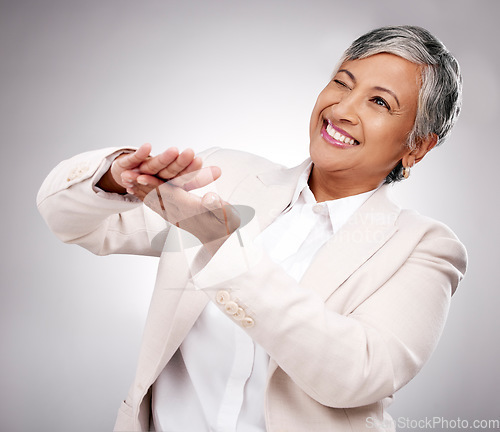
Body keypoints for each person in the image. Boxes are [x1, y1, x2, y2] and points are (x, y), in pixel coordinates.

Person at [37, 25, 467, 432]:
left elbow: (357, 375)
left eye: (379, 102)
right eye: (342, 82)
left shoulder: (423, 248)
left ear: (418, 145)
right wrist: (116, 178)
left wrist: (225, 246)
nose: (343, 109)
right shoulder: (227, 176)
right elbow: (72, 224)